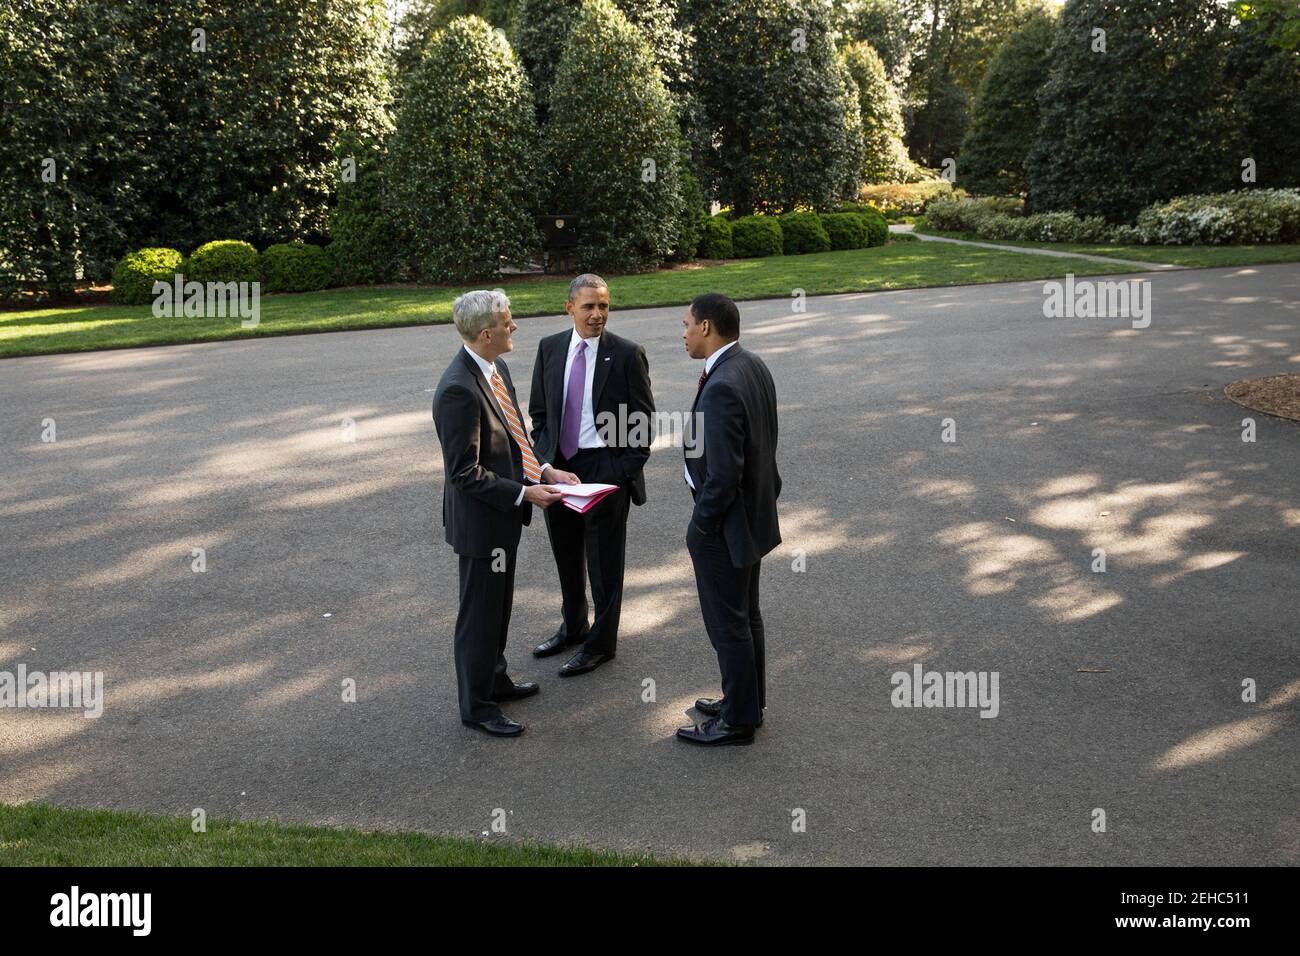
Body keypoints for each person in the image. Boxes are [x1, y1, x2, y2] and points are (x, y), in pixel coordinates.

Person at [432, 290, 578, 737]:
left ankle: (494, 681)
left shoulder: (497, 369)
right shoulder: (458, 388)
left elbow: (516, 439)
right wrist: (527, 495)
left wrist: (546, 470)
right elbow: (465, 474)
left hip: (503, 520)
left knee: (498, 608)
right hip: (481, 525)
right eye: (509, 322)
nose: (515, 327)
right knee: (479, 616)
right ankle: (477, 706)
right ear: (486, 333)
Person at [528, 274, 655, 676]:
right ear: (570, 307)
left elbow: (642, 423)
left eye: (603, 306)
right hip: (559, 469)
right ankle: (573, 627)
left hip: (606, 469)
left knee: (604, 563)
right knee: (566, 555)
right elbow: (540, 415)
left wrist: (620, 474)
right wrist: (544, 462)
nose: (598, 314)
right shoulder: (549, 348)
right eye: (589, 306)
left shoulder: (626, 353)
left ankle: (601, 645)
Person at [677, 292, 782, 746]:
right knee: (747, 616)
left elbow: (723, 475)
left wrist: (700, 525)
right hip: (752, 518)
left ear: (706, 327)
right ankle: (746, 702)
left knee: (728, 623)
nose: (682, 333)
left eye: (686, 324)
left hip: (725, 525)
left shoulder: (721, 385)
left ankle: (737, 722)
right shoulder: (750, 364)